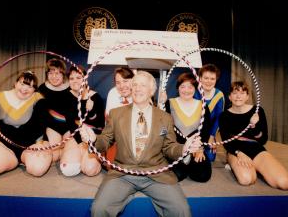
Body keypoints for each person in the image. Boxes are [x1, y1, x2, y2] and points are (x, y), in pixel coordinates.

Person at [80, 71, 201, 217]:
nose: (137, 88)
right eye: (135, 84)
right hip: (123, 173)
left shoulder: (165, 118)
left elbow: (170, 147)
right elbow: (105, 140)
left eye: (143, 85)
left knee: (181, 211)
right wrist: (93, 140)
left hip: (157, 173)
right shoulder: (116, 114)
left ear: (152, 91)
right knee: (99, 209)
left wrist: (184, 148)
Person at [0, 71, 52, 180]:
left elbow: (42, 126)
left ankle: (53, 153)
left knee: (37, 169)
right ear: (15, 83)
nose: (25, 89)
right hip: (7, 147)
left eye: (30, 87)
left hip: (32, 146)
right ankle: (13, 161)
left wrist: (41, 144)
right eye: (22, 84)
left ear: (34, 89)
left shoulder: (39, 100)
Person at [219, 81, 288, 190]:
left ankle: (257, 166)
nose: (238, 96)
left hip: (255, 148)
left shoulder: (257, 111)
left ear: (247, 96)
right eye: (235, 93)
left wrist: (254, 126)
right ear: (229, 97)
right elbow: (226, 141)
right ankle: (236, 163)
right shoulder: (224, 115)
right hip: (235, 149)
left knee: (285, 183)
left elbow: (263, 139)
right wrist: (239, 153)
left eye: (242, 93)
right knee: (247, 179)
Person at [164, 72, 212, 182]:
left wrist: (200, 148)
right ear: (178, 88)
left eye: (190, 87)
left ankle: (189, 162)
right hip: (176, 148)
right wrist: (161, 103)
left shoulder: (203, 105)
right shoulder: (169, 103)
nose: (186, 90)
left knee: (202, 176)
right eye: (183, 86)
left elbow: (205, 130)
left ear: (195, 88)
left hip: (195, 147)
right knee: (177, 175)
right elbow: (164, 129)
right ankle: (184, 164)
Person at [59, 66, 104, 177]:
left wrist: (92, 110)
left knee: (90, 170)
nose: (75, 81)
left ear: (85, 79)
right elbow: (70, 123)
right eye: (72, 78)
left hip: (93, 137)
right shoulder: (66, 97)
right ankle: (70, 153)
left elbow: (100, 126)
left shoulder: (95, 97)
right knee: (69, 170)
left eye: (78, 77)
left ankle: (86, 156)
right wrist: (80, 143)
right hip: (76, 136)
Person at [38, 58, 70, 161]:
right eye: (51, 73)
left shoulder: (71, 87)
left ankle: (66, 151)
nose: (54, 77)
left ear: (63, 74)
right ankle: (61, 151)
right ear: (47, 74)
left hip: (69, 126)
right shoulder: (42, 88)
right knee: (54, 157)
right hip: (52, 127)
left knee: (70, 151)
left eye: (58, 73)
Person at [194, 64, 225, 161]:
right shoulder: (193, 92)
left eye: (212, 78)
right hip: (193, 132)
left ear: (216, 80)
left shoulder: (219, 95)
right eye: (206, 78)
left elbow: (219, 118)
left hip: (209, 132)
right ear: (200, 78)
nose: (209, 81)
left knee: (210, 158)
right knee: (194, 156)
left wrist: (212, 137)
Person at [104, 67, 134, 166]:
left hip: (135, 137)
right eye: (118, 82)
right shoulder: (113, 93)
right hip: (116, 136)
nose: (122, 86)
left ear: (133, 80)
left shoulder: (140, 93)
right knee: (112, 165)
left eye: (125, 81)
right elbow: (111, 123)